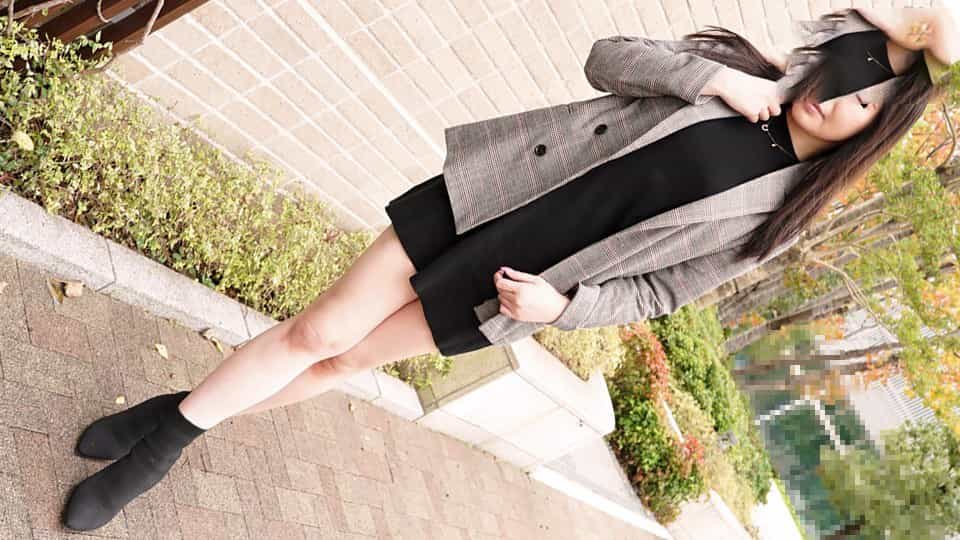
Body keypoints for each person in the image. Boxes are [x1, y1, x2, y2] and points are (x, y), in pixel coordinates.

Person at [62, 7, 957, 531]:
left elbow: (666, 289)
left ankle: (169, 414)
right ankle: (163, 449)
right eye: (843, 72)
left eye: (863, 100)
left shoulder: (782, 213)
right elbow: (605, 59)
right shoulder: (735, 70)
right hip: (482, 201)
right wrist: (714, 82)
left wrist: (565, 309)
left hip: (523, 284)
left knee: (346, 362)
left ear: (874, 129)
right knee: (319, 331)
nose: (836, 97)